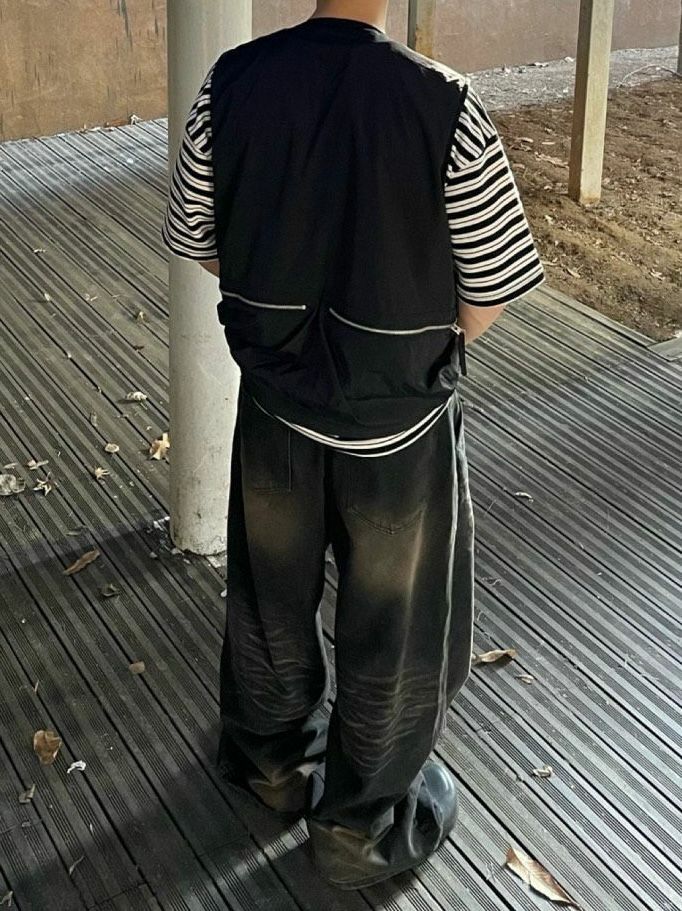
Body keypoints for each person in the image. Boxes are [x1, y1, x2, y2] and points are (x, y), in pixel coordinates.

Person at [163, 0, 544, 890]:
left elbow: (198, 240)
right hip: (398, 431)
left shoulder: (232, 83)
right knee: (395, 628)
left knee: (269, 597)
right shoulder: (446, 104)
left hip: (276, 412)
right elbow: (491, 284)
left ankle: (271, 765)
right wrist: (420, 354)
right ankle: (360, 825)